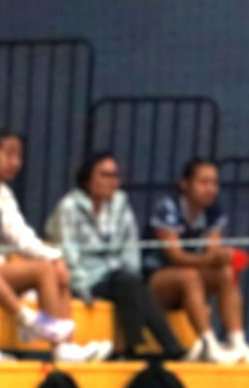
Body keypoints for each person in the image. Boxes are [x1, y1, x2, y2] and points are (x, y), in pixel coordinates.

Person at [0, 130, 109, 362]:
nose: (14, 162)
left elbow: (20, 235)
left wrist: (55, 256)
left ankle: (67, 345)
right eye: (8, 154)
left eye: (18, 156)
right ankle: (52, 339)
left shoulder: (4, 193)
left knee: (55, 268)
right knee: (43, 269)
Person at [46, 152, 184, 360]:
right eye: (105, 175)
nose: (112, 181)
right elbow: (67, 251)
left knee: (129, 282)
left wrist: (132, 273)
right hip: (85, 279)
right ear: (87, 179)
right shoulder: (69, 207)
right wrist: (83, 288)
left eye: (115, 176)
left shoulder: (121, 204)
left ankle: (140, 347)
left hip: (117, 277)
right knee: (128, 284)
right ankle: (154, 346)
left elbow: (130, 246)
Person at [144, 159, 249, 364]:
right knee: (190, 276)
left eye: (214, 183)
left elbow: (212, 253)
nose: (211, 189)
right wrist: (213, 258)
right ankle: (209, 344)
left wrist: (223, 258)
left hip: (190, 276)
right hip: (155, 281)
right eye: (204, 182)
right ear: (185, 184)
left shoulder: (213, 211)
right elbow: (175, 256)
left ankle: (238, 342)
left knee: (226, 273)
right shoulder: (167, 208)